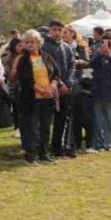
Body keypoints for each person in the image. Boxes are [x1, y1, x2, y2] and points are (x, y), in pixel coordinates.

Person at [14, 30, 59, 165]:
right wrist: (42, 90)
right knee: (31, 128)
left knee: (45, 127)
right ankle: (31, 156)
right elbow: (25, 79)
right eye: (26, 42)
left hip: (48, 98)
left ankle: (44, 154)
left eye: (32, 42)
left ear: (39, 43)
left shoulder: (46, 56)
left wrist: (52, 86)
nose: (29, 44)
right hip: (31, 99)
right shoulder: (23, 60)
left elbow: (56, 73)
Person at [43, 20, 76, 159]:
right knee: (47, 120)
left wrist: (68, 83)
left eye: (59, 30)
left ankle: (58, 147)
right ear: (50, 30)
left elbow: (72, 65)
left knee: (63, 119)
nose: (57, 32)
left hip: (66, 89)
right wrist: (59, 83)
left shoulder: (67, 47)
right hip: (51, 88)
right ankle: (44, 147)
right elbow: (47, 67)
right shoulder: (44, 47)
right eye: (54, 29)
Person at [90, 38, 111, 153]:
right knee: (98, 119)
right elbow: (92, 65)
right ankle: (98, 144)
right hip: (98, 91)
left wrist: (110, 56)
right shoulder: (98, 56)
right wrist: (99, 53)